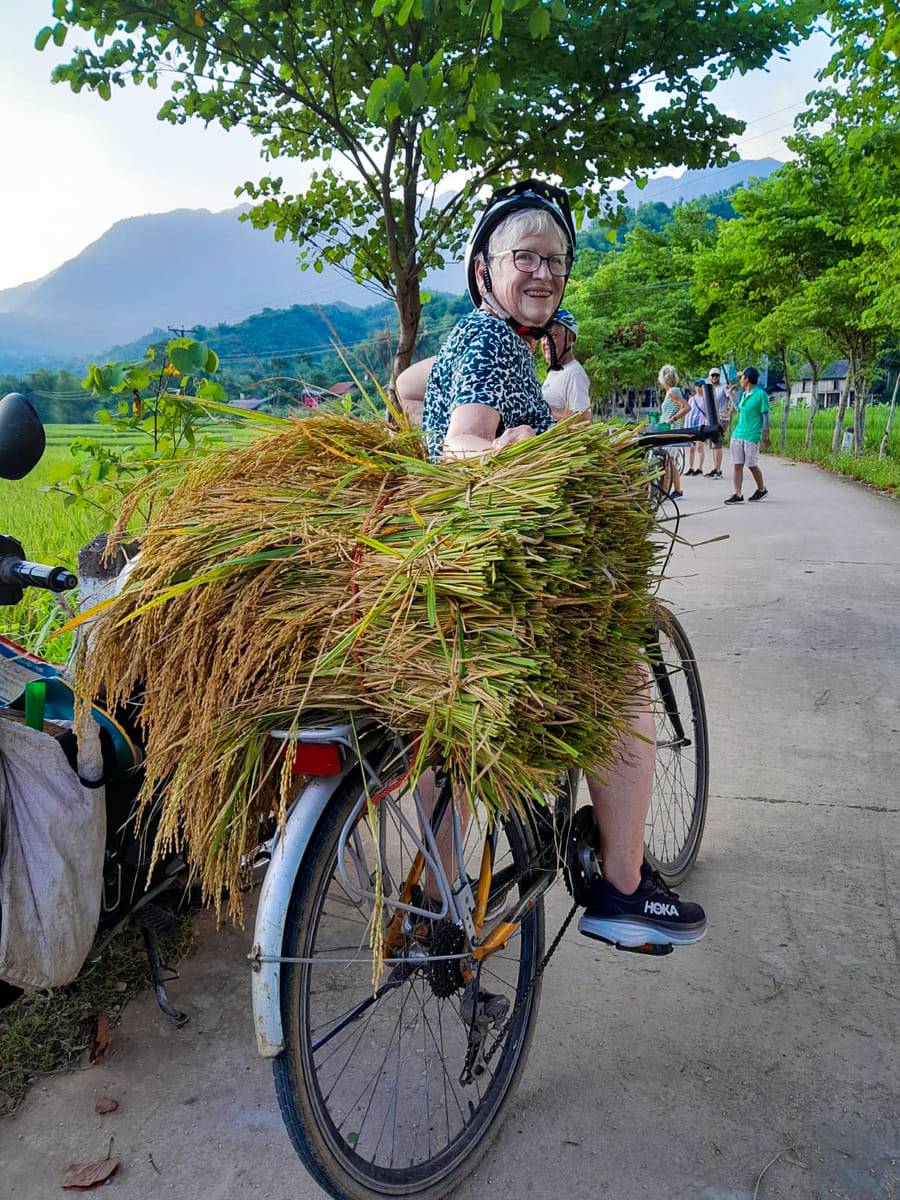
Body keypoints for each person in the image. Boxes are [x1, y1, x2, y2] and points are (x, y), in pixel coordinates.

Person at [422, 179, 706, 948]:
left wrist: (540, 426)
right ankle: (620, 887)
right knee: (620, 680)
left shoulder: (481, 339)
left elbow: (414, 388)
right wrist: (502, 443)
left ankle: (438, 899)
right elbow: (461, 442)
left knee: (439, 739)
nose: (543, 272)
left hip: (446, 578)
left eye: (555, 259)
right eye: (526, 258)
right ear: (486, 270)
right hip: (499, 579)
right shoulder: (488, 339)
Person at [724, 365, 770, 504]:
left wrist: (766, 435)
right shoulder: (744, 395)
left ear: (747, 379)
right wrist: (732, 397)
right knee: (737, 464)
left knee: (751, 464)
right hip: (738, 434)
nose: (740, 381)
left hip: (752, 435)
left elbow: (765, 416)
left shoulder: (761, 395)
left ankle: (761, 489)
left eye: (742, 378)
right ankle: (737, 493)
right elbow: (740, 410)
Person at [540, 309, 592, 423]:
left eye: (553, 335)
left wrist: (542, 408)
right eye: (543, 336)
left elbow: (583, 420)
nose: (546, 342)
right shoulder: (555, 372)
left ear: (569, 338)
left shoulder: (574, 373)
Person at [656, 364, 690, 500]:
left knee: (668, 461)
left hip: (670, 430)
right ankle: (676, 490)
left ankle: (665, 491)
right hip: (667, 430)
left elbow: (686, 407)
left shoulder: (672, 392)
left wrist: (671, 420)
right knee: (670, 461)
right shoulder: (672, 391)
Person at [704, 368, 729, 478]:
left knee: (717, 444)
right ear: (709, 377)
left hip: (721, 420)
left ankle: (718, 470)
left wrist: (728, 412)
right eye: (712, 375)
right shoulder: (709, 388)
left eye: (716, 375)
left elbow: (733, 399)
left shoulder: (723, 387)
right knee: (713, 445)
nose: (714, 377)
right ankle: (715, 468)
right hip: (711, 419)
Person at [684, 380, 707, 476]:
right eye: (697, 385)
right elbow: (687, 413)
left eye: (700, 386)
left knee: (699, 447)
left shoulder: (705, 399)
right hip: (691, 425)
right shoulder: (691, 399)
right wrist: (686, 426)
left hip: (700, 426)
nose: (698, 388)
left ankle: (700, 468)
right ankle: (691, 467)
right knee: (691, 448)